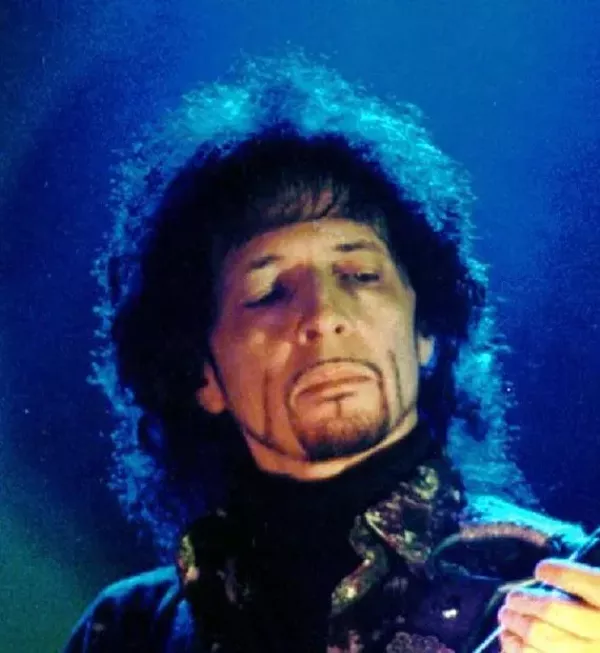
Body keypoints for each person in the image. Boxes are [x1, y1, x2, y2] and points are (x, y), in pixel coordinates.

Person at [63, 53, 600, 653]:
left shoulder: (561, 584)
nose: (322, 317)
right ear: (201, 374)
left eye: (361, 275)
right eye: (269, 293)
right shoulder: (129, 630)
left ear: (425, 329)